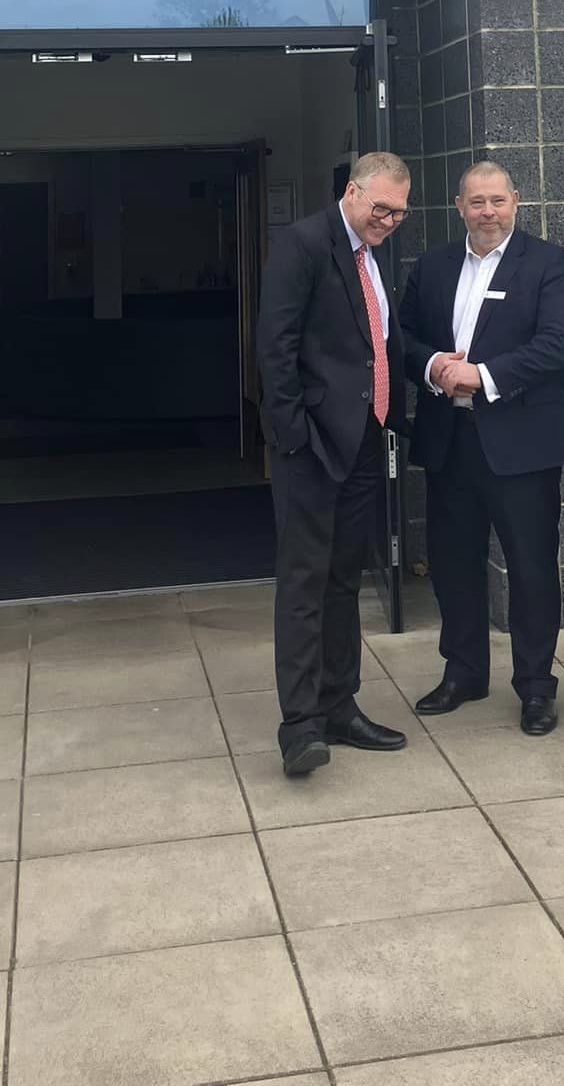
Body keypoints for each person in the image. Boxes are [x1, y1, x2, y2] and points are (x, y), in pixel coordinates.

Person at [399, 160, 564, 735]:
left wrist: (483, 376)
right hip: (451, 442)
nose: (488, 212)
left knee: (530, 570)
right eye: (476, 202)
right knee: (453, 563)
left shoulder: (549, 264)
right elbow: (398, 338)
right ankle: (464, 672)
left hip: (520, 446)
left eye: (497, 200)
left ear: (516, 202)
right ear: (459, 207)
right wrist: (432, 365)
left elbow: (558, 344)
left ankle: (535, 686)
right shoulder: (431, 266)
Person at [255, 149, 412, 777]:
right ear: (351, 192)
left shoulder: (372, 257)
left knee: (344, 580)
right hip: (313, 449)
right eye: (381, 208)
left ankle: (339, 704)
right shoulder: (303, 244)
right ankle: (299, 726)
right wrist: (293, 438)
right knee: (303, 584)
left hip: (365, 445)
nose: (389, 221)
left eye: (398, 213)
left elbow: (376, 343)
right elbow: (276, 345)